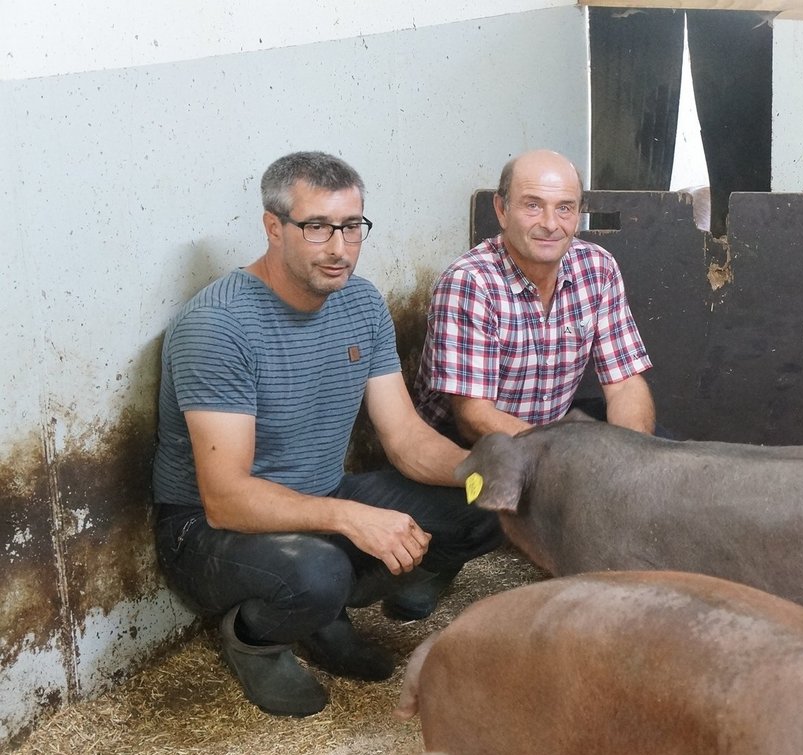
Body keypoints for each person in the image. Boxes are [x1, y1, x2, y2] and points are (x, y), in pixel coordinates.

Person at [152, 151, 502, 718]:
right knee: (319, 571)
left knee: (485, 503)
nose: (339, 247)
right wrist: (352, 518)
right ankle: (255, 638)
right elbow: (226, 497)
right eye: (316, 227)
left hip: (318, 496)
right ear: (273, 227)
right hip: (206, 528)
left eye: (351, 226)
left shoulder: (360, 302)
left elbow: (406, 439)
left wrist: (491, 468)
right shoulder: (218, 325)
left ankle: (322, 613)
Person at [413, 149, 656, 443]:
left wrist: (634, 452)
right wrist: (565, 458)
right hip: (465, 446)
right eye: (533, 205)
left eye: (564, 208)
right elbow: (474, 417)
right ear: (502, 210)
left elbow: (624, 383)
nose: (551, 224)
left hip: (544, 437)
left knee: (655, 448)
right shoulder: (470, 282)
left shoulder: (597, 267)